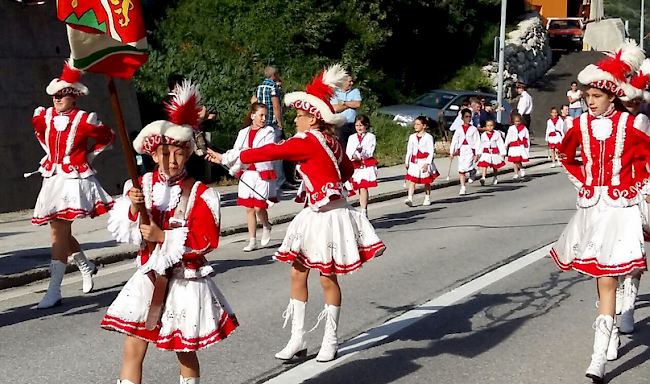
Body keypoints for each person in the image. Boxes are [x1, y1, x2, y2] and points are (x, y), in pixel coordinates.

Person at [207, 64, 385, 363]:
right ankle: (298, 338)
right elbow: (348, 169)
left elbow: (271, 152)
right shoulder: (329, 141)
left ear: (313, 118)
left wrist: (229, 156)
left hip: (329, 215)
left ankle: (330, 339)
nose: (296, 120)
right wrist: (327, 181)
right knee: (298, 271)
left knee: (327, 277)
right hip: (317, 212)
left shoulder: (307, 140)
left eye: (299, 116)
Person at [101, 81, 238, 384]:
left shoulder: (200, 193)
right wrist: (135, 208)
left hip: (183, 280)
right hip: (148, 275)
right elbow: (125, 228)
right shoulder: (142, 185)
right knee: (133, 344)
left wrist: (163, 237)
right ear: (153, 154)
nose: (171, 160)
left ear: (188, 154)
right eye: (164, 153)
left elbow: (206, 240)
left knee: (184, 349)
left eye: (178, 153)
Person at [550, 43, 650, 382]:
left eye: (596, 95)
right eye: (587, 95)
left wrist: (639, 187)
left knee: (613, 275)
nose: (589, 100)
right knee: (602, 277)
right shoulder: (580, 127)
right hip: (594, 208)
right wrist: (585, 183)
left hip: (622, 209)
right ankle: (603, 348)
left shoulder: (630, 124)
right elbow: (567, 156)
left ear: (611, 96)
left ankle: (604, 349)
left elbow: (646, 159)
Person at [31, 62, 116, 309]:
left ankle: (54, 289)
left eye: (63, 94)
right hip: (52, 177)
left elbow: (106, 137)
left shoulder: (84, 119)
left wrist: (87, 157)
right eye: (55, 94)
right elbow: (40, 134)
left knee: (58, 232)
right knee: (59, 231)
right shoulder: (44, 116)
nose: (57, 98)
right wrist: (50, 155)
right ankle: (85, 266)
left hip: (72, 180)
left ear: (74, 96)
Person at [615, 58, 650, 334]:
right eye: (628, 102)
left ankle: (628, 307)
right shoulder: (605, 122)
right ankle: (614, 295)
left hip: (637, 193)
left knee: (634, 254)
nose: (633, 107)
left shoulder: (643, 121)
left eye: (637, 102)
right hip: (610, 196)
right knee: (611, 254)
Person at [230, 102, 276, 252]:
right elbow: (236, 150)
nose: (263, 119)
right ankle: (252, 240)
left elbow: (267, 150)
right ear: (252, 116)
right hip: (247, 172)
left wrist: (249, 152)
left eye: (265, 116)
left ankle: (266, 225)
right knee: (249, 208)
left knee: (258, 207)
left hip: (261, 172)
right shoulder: (243, 132)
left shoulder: (269, 131)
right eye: (261, 115)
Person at [255, 66, 289, 189]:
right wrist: (280, 122)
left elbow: (254, 102)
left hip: (261, 122)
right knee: (277, 152)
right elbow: (276, 105)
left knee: (264, 150)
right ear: (273, 75)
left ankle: (265, 177)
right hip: (271, 122)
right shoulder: (273, 87)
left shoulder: (259, 87)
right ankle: (280, 181)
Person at [346, 114, 378, 218]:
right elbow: (348, 151)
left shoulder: (371, 137)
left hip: (365, 165)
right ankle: (358, 208)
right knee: (357, 187)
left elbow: (370, 152)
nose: (359, 128)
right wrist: (353, 156)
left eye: (361, 125)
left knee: (363, 187)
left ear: (366, 126)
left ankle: (364, 210)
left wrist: (361, 154)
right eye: (357, 126)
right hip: (355, 165)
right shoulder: (352, 138)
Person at [404, 116, 438, 206]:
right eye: (415, 124)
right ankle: (410, 198)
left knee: (426, 181)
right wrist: (407, 162)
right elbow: (409, 150)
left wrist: (428, 163)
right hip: (414, 161)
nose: (415, 126)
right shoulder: (412, 137)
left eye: (418, 124)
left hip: (424, 161)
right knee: (412, 180)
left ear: (424, 126)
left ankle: (427, 197)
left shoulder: (428, 137)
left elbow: (431, 151)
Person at [450, 109, 480, 195]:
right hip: (461, 150)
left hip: (470, 150)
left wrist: (477, 153)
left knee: (467, 165)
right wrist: (451, 152)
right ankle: (463, 187)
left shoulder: (473, 129)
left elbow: (477, 141)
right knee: (461, 168)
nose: (468, 119)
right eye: (466, 117)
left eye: (470, 117)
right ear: (462, 118)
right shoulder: (458, 130)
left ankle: (472, 171)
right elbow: (455, 141)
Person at [331, 74, 362, 149]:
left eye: (352, 81)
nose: (352, 83)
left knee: (354, 147)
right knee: (342, 146)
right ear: (343, 82)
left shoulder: (355, 91)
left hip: (353, 124)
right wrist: (350, 104)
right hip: (341, 125)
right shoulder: (336, 93)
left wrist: (343, 103)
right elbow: (335, 108)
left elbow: (357, 104)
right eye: (350, 81)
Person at [476, 119, 506, 185]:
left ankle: (495, 177)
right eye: (488, 126)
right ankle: (483, 177)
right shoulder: (483, 135)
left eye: (491, 125)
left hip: (494, 152)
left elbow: (500, 143)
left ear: (494, 126)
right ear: (486, 126)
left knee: (495, 166)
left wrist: (503, 153)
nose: (490, 127)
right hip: (486, 152)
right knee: (484, 165)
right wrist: (479, 153)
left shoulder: (497, 134)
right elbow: (481, 144)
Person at [505, 112, 530, 180]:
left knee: (518, 160)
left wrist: (527, 146)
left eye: (518, 121)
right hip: (513, 146)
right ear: (513, 121)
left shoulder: (524, 128)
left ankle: (521, 168)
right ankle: (516, 173)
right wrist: (506, 145)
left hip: (520, 146)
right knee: (514, 160)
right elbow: (508, 137)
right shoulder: (511, 128)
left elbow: (527, 137)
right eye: (516, 121)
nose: (517, 123)